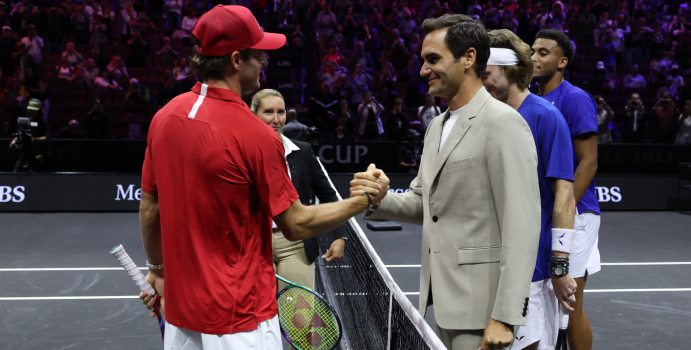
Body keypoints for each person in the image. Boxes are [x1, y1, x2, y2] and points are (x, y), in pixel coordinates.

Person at [138, 7, 386, 349]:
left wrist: (156, 270)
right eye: (260, 55)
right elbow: (295, 224)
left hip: (182, 313)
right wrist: (365, 200)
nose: (265, 63)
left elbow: (150, 208)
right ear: (237, 60)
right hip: (241, 317)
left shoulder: (164, 118)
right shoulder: (256, 135)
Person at [352, 14, 541, 350]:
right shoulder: (436, 127)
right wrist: (380, 197)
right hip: (443, 305)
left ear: (469, 58)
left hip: (485, 314)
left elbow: (522, 225)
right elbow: (425, 203)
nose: (424, 70)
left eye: (433, 59)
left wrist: (506, 315)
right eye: (423, 61)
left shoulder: (503, 123)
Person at [483, 29, 577, 350]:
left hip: (533, 274)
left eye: (486, 73)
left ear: (509, 70)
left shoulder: (546, 118)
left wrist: (561, 266)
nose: (479, 82)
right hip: (489, 267)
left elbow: (565, 196)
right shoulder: (486, 117)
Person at [532, 29, 601, 350]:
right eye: (532, 51)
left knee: (569, 305)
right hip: (551, 214)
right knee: (549, 299)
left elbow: (588, 161)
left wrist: (565, 211)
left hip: (576, 213)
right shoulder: (534, 101)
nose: (534, 57)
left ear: (562, 62)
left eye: (543, 52)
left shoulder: (574, 98)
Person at [249, 88, 348, 296]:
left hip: (295, 244)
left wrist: (340, 236)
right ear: (253, 114)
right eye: (268, 112)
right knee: (259, 323)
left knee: (298, 324)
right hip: (254, 245)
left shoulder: (302, 151)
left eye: (281, 112)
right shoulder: (241, 152)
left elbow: (329, 195)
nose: (276, 119)